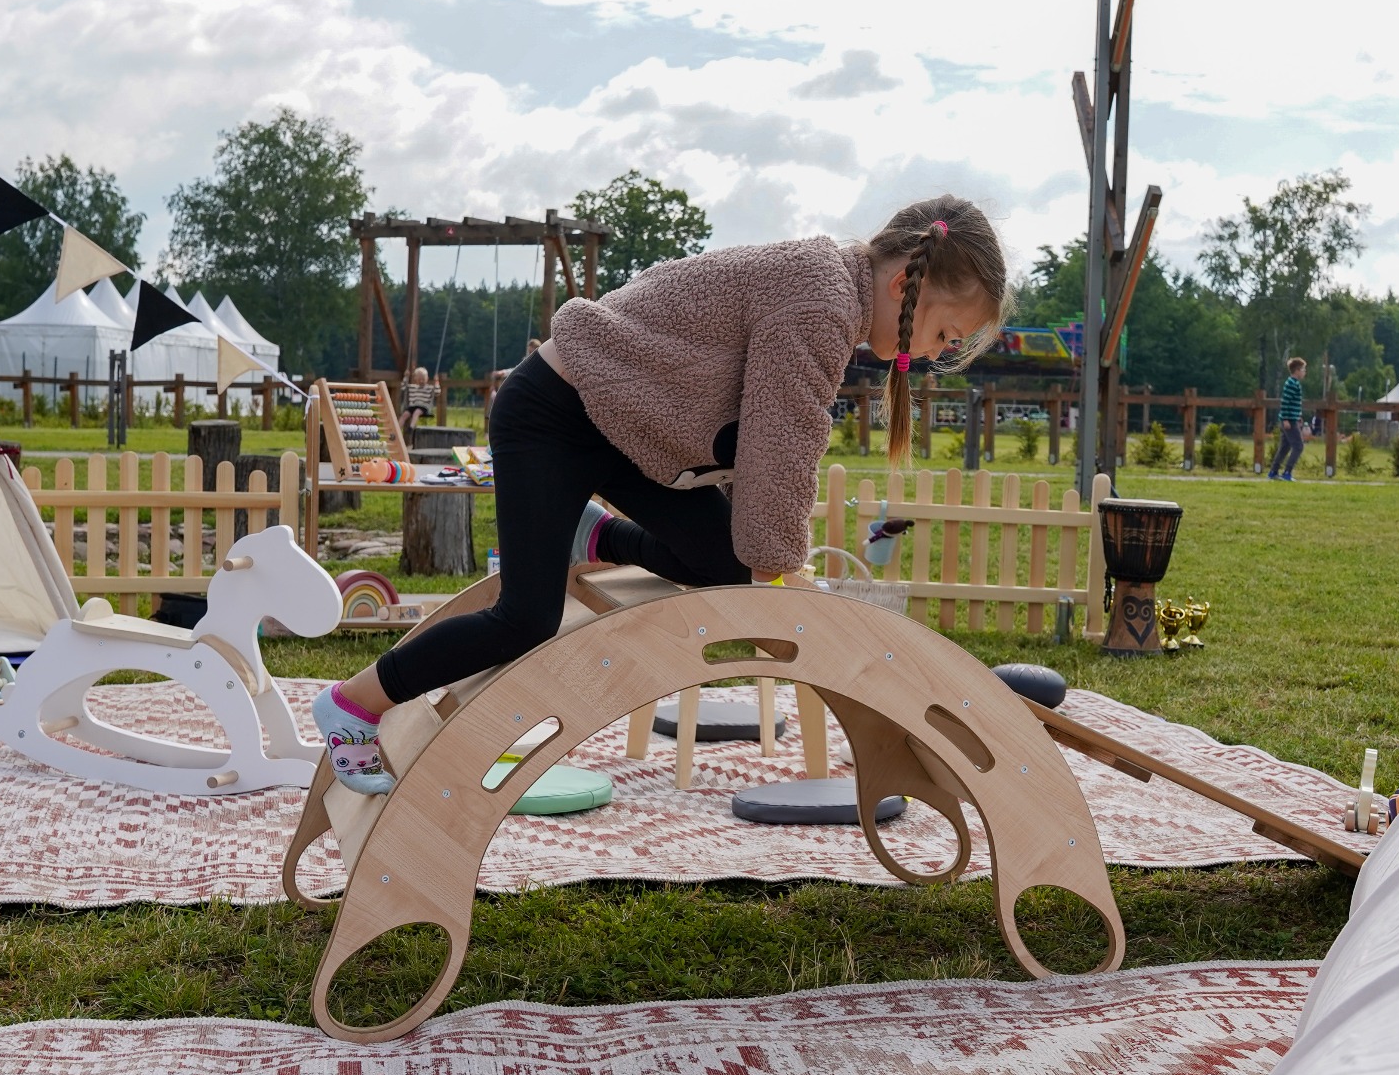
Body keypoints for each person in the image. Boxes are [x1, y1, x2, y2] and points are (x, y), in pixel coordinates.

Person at [311, 194, 1010, 793]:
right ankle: (355, 702)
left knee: (726, 563)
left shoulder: (829, 286)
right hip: (557, 412)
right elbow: (784, 441)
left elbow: (760, 428)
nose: (928, 352)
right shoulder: (823, 297)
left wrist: (763, 563)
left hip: (627, 426)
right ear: (903, 288)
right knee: (525, 618)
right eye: (943, 332)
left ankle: (593, 534)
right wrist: (781, 565)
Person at [1269, 356, 1307, 481]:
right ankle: (1287, 472)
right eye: (1303, 369)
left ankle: (1273, 472)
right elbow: (1285, 402)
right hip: (1289, 420)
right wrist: (1285, 419)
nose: (1304, 372)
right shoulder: (1291, 384)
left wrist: (1298, 416)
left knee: (1285, 447)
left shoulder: (1294, 383)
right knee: (1298, 446)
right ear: (1296, 370)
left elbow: (1294, 403)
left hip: (1292, 418)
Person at [399, 366, 438, 433]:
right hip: (413, 406)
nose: (421, 381)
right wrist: (406, 377)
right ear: (415, 379)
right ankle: (397, 429)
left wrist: (436, 382)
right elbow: (403, 387)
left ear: (427, 378)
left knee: (416, 412)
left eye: (423, 379)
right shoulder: (412, 387)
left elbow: (437, 392)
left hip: (424, 407)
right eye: (419, 379)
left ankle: (411, 427)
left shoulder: (429, 388)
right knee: (404, 414)